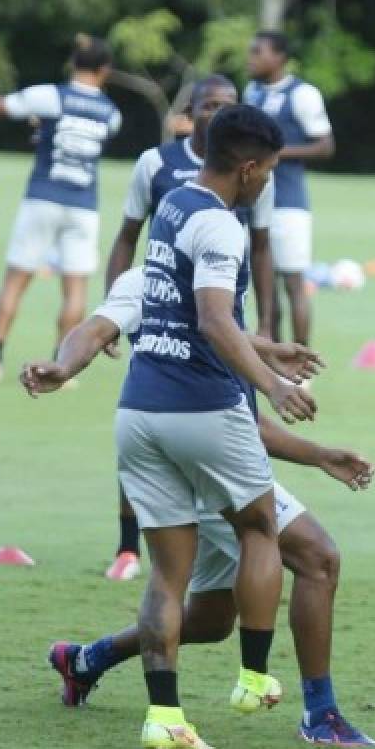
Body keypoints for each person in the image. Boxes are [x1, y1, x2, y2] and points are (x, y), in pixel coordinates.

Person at [21, 265, 375, 748]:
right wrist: (63, 367)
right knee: (317, 557)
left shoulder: (219, 288)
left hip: (205, 451)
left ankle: (86, 660)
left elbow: (241, 416)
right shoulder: (161, 281)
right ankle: (320, 713)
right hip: (196, 461)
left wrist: (319, 454)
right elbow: (96, 328)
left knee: (210, 621)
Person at [118, 104, 312, 749]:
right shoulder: (223, 227)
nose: (266, 184)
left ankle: (164, 719)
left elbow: (174, 305)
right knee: (260, 527)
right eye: (269, 171)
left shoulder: (173, 202)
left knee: (167, 578)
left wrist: (268, 349)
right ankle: (255, 677)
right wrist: (273, 382)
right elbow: (212, 320)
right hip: (201, 406)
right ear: (249, 167)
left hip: (140, 408)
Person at [99, 75, 276, 582]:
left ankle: (210, 534)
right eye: (208, 105)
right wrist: (116, 311)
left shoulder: (254, 172)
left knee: (159, 422)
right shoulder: (156, 166)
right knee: (154, 419)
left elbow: (262, 248)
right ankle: (128, 544)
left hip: (221, 327)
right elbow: (127, 236)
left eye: (226, 105)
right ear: (192, 110)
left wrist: (264, 329)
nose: (215, 113)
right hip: (168, 318)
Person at [0, 35, 121, 384]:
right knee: (76, 289)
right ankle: (60, 365)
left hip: (42, 197)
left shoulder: (51, 96)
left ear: (73, 65)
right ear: (104, 70)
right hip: (83, 206)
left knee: (15, 280)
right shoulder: (112, 115)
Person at [245, 30, 334, 346]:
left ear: (279, 57)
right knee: (263, 286)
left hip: (289, 204)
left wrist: (275, 153)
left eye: (258, 51)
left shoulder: (303, 93)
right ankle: (273, 358)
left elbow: (325, 146)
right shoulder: (251, 92)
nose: (251, 58)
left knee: (294, 283)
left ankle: (300, 363)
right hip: (252, 203)